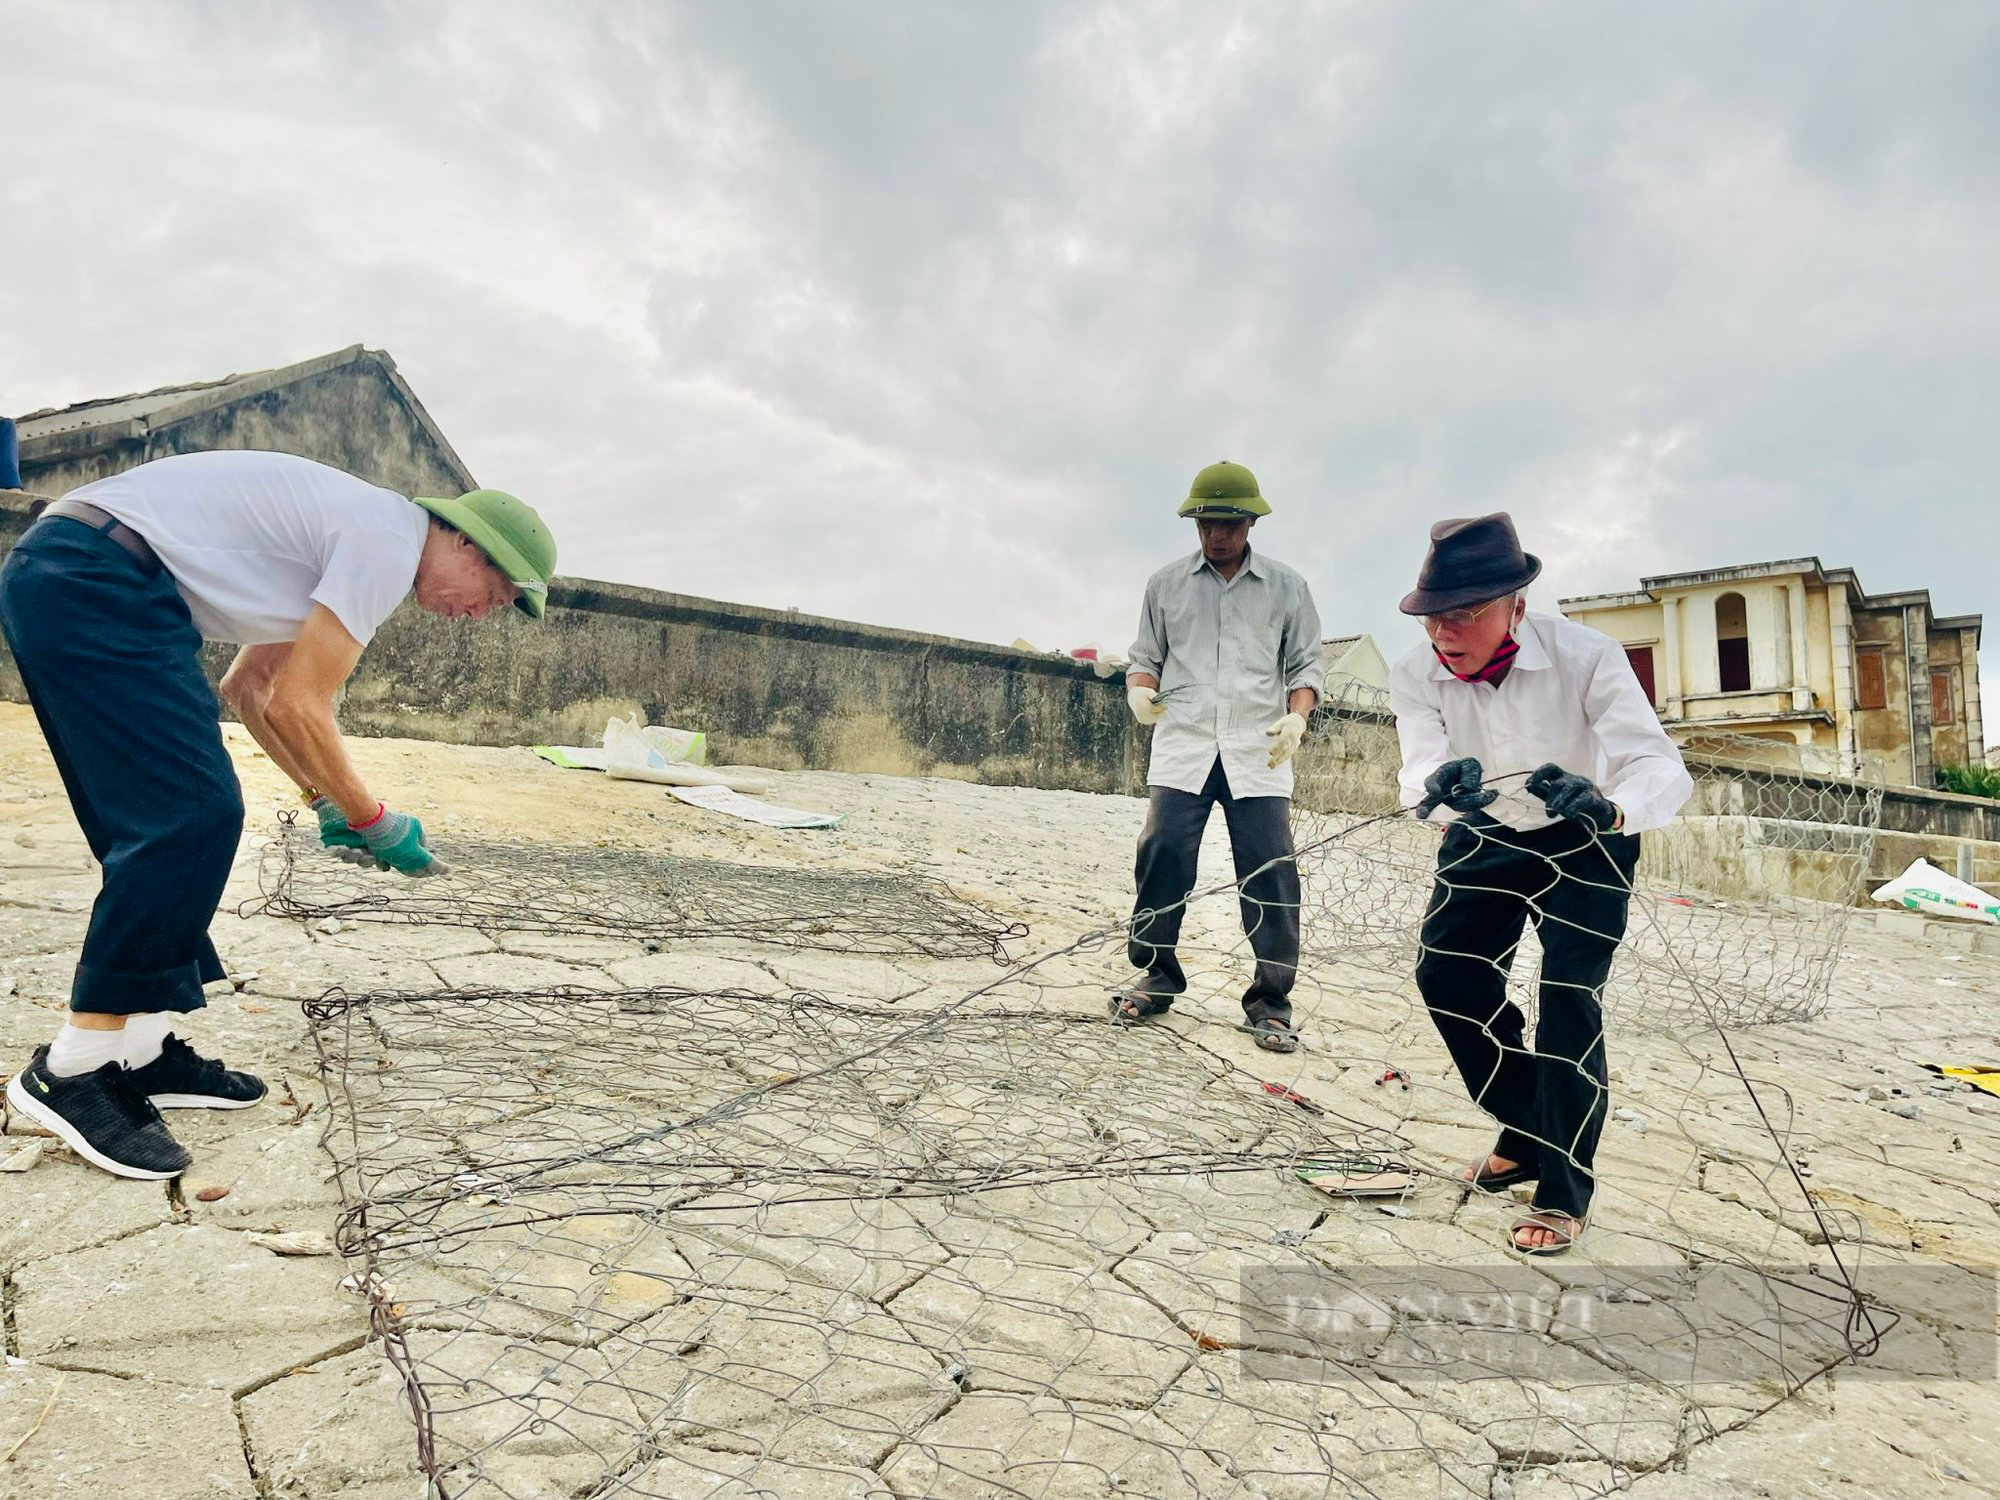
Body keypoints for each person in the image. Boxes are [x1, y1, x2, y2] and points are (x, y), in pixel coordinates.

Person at [0, 448, 557, 1179]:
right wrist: (373, 818)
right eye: (496, 586)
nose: (486, 611)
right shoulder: (387, 541)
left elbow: (252, 687)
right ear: (461, 539)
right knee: (190, 818)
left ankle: (135, 1047)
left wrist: (322, 798)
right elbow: (301, 703)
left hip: (83, 573)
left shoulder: (356, 537)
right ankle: (73, 1067)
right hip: (98, 578)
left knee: (168, 820)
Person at [1389, 513, 1691, 1255]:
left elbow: (1659, 767)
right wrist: (1439, 784)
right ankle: (1526, 1131)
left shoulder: (1587, 657)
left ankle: (1562, 1184)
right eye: (1435, 616)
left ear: (1517, 606)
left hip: (1589, 835)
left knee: (1566, 1002)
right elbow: (1416, 763)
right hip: (1486, 828)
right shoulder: (1416, 672)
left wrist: (1610, 803)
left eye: (1466, 613)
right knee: (1448, 979)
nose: (1445, 633)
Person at [1118, 460, 1324, 1053]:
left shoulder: (1288, 587)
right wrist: (1138, 689)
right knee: (1161, 854)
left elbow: (1307, 664)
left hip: (1258, 749)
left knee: (1270, 871)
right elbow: (1145, 654)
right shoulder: (1165, 585)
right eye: (1206, 523)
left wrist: (1298, 715)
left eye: (1229, 523)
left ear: (1252, 521)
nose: (1217, 536)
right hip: (1183, 745)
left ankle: (1270, 1000)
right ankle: (1158, 974)